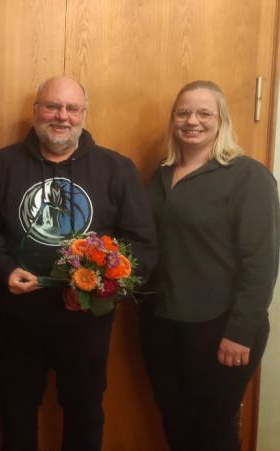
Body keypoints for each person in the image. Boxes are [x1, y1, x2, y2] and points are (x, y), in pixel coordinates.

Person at [0, 76, 157, 451]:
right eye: (52, 106)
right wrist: (4, 270)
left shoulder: (116, 168)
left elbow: (143, 244)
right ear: (36, 111)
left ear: (84, 114)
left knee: (85, 411)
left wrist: (104, 286)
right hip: (21, 315)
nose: (61, 116)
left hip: (87, 320)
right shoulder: (3, 164)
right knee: (16, 409)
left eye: (71, 108)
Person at [142, 80, 279, 451]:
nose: (192, 121)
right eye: (183, 112)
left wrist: (240, 331)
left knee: (214, 429)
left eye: (205, 113)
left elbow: (261, 262)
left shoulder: (248, 175)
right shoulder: (163, 174)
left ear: (222, 121)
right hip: (163, 322)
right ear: (173, 120)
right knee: (175, 421)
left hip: (219, 327)